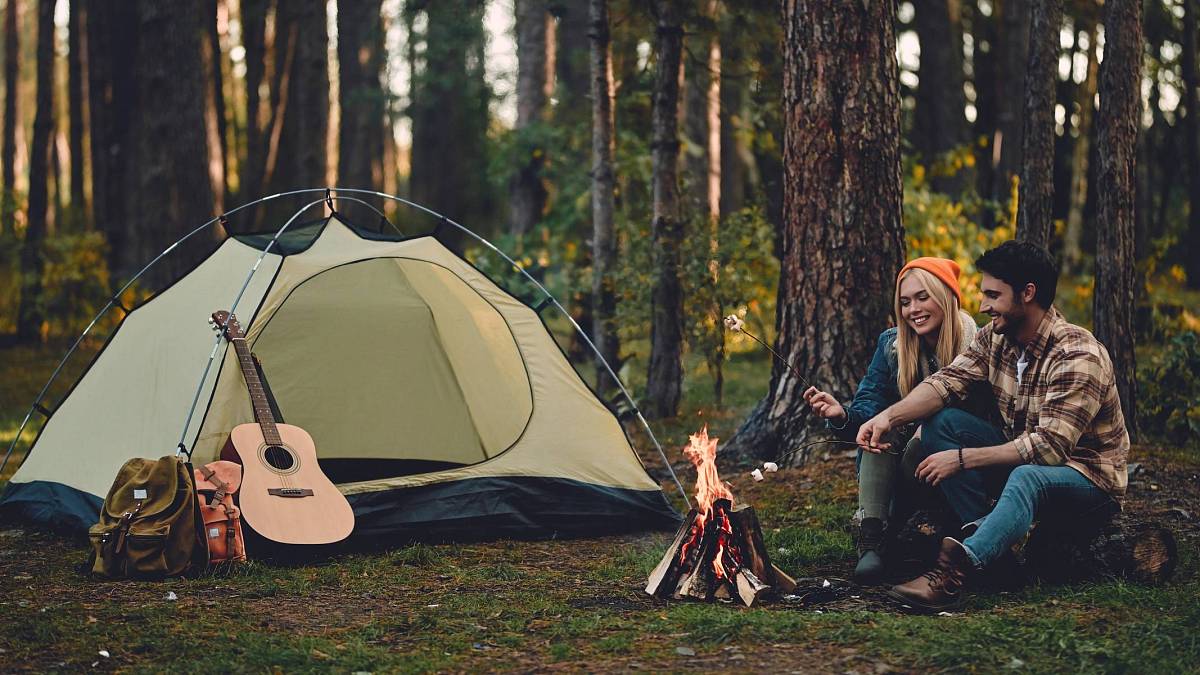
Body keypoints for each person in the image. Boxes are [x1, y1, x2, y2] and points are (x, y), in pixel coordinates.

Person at [856, 240, 1129, 612]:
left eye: (992, 295)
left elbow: (1048, 450)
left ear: (1027, 294)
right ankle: (999, 562)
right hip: (1023, 462)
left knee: (1027, 477)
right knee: (943, 423)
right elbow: (945, 383)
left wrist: (963, 459)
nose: (983, 306)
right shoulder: (994, 339)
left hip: (1085, 479)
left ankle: (956, 568)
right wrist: (888, 417)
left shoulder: (1077, 354)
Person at [803, 257, 977, 584]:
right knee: (880, 432)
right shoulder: (891, 344)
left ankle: (897, 532)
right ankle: (871, 540)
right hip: (902, 457)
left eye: (923, 297)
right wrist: (843, 415)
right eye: (905, 302)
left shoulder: (976, 344)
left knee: (926, 432)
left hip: (955, 460)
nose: (914, 309)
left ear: (947, 296)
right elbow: (872, 401)